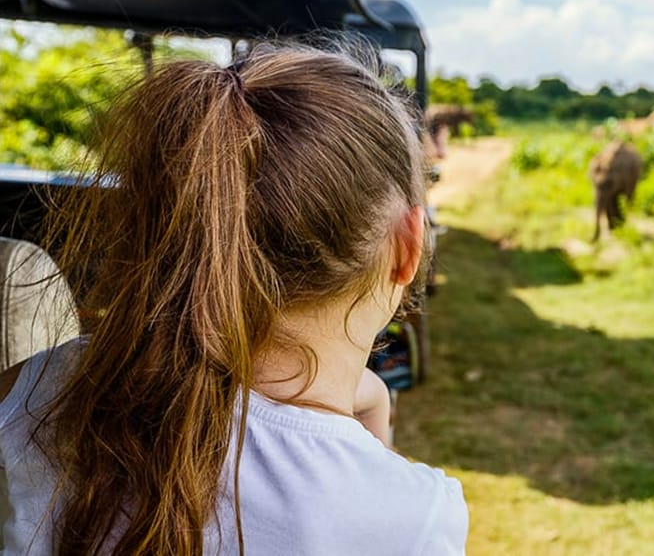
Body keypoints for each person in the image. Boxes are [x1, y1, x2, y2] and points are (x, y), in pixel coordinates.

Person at [0, 42, 468, 555]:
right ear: (408, 247)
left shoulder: (38, 388)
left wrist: (371, 399)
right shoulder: (416, 516)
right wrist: (374, 415)